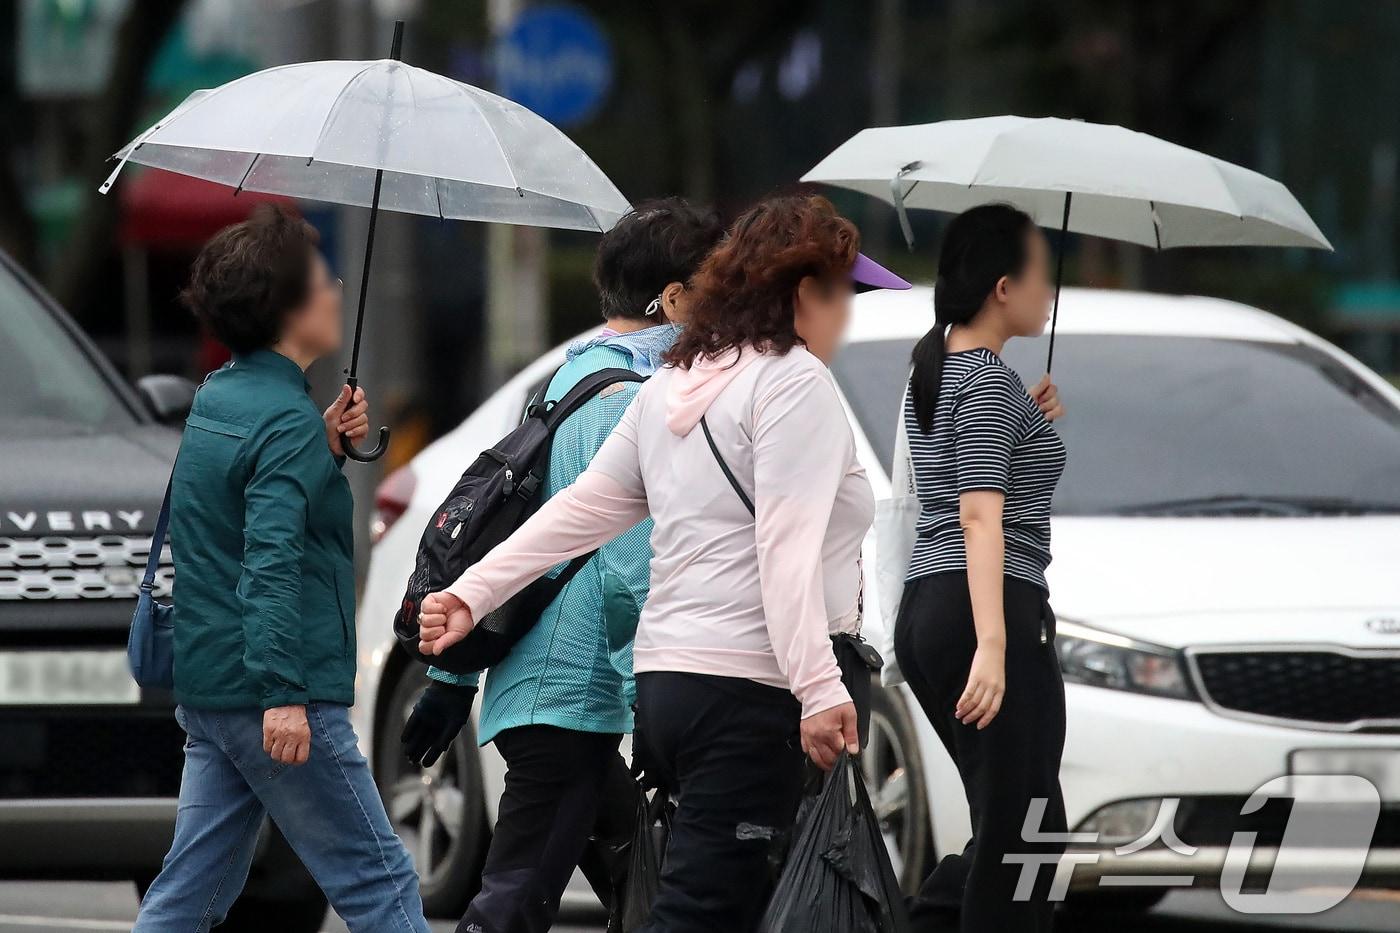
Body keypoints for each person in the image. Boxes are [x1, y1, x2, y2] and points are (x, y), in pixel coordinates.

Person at [417, 194, 911, 932]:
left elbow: (582, 509)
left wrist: (472, 590)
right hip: (750, 688)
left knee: (733, 900)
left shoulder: (676, 383)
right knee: (700, 908)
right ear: (804, 294)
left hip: (670, 690)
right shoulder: (793, 381)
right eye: (843, 294)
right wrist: (818, 687)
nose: (848, 315)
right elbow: (785, 550)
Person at [399, 198, 726, 933]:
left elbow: (498, 537)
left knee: (645, 881)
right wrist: (658, 695)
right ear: (673, 298)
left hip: (550, 691)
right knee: (515, 897)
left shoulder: (571, 376)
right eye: (716, 286)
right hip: (569, 694)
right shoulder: (627, 400)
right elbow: (625, 573)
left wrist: (452, 679)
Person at [133, 205, 430, 933]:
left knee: (192, 892)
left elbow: (234, 522)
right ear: (288, 308)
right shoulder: (282, 419)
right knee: (382, 881)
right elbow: (268, 564)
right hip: (277, 692)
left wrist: (322, 447)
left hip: (211, 687)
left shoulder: (221, 397)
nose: (334, 288)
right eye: (320, 279)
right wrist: (284, 697)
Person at [894, 203, 1067, 933]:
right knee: (1020, 831)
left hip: (932, 611)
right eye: (1041, 276)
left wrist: (1028, 421)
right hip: (981, 612)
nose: (1049, 292)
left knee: (1019, 820)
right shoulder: (988, 383)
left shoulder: (941, 373)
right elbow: (977, 515)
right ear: (1003, 286)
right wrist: (994, 645)